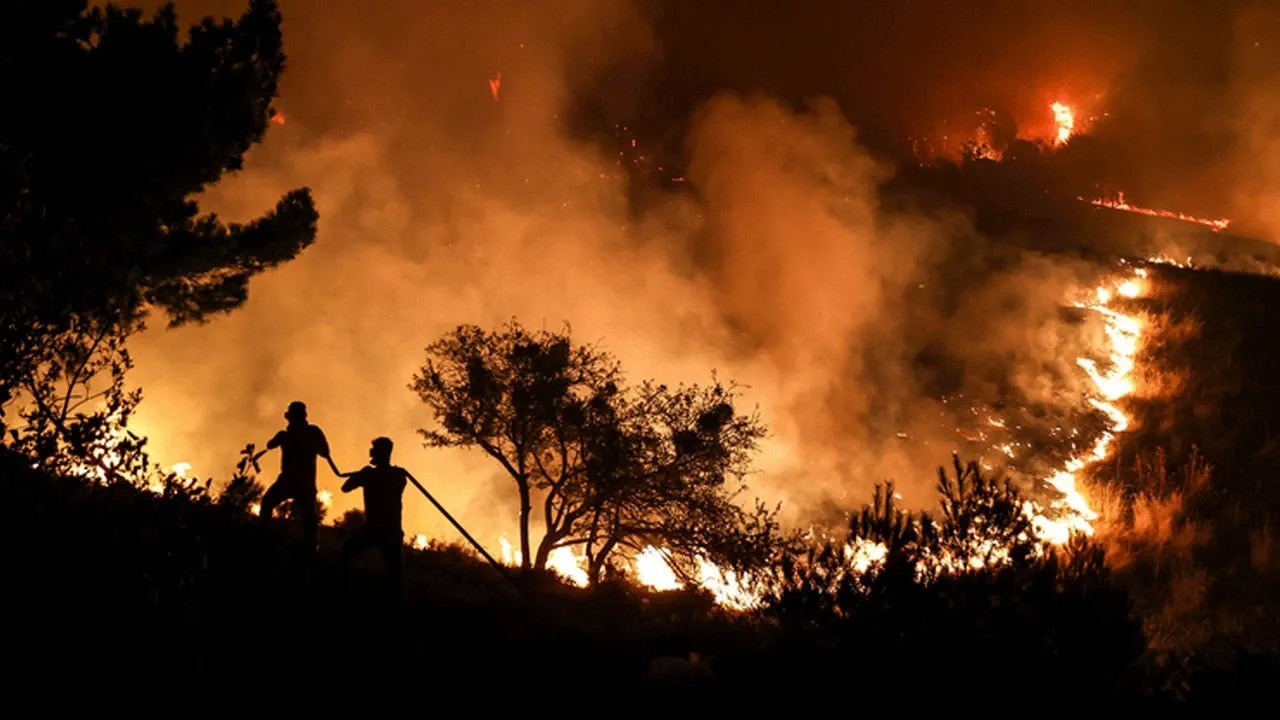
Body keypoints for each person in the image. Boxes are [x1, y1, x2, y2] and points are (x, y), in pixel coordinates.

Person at [254, 400, 341, 560]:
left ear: (289, 418)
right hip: (303, 483)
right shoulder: (311, 432)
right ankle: (310, 550)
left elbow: (270, 444)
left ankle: (265, 538)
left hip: (290, 482)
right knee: (308, 518)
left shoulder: (292, 435)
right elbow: (325, 452)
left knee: (269, 503)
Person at [337, 436, 411, 601]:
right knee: (396, 576)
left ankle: (343, 592)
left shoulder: (371, 475)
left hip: (375, 530)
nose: (371, 452)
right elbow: (346, 488)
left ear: (379, 453)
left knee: (346, 553)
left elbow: (345, 488)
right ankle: (398, 606)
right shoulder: (398, 476)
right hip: (390, 530)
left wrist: (362, 474)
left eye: (374, 449)